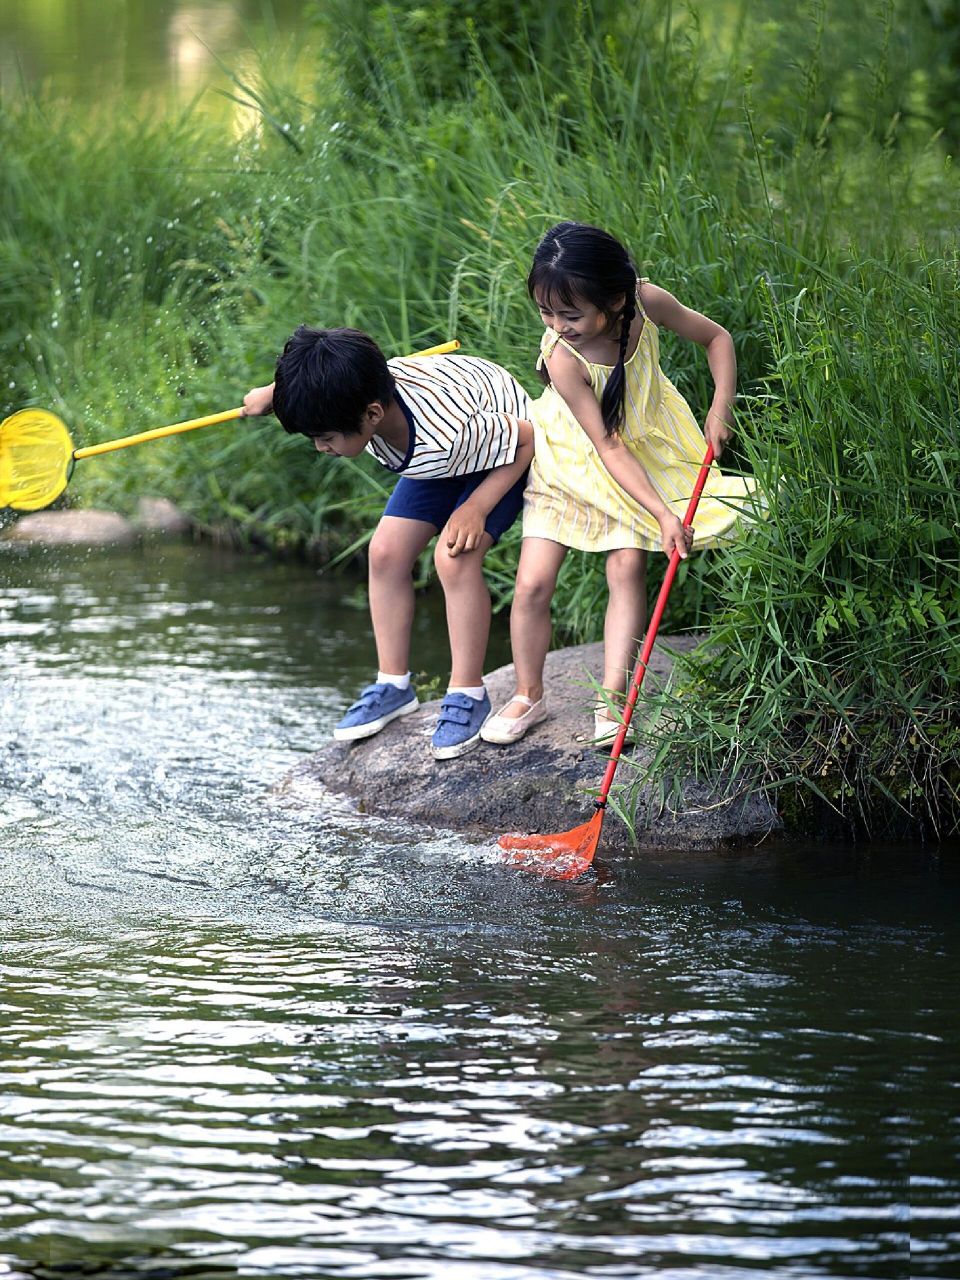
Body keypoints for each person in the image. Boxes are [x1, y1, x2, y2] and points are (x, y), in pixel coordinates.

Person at [480, 221, 757, 746]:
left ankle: (613, 698)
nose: (557, 325)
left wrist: (721, 409)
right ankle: (528, 693)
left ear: (616, 297)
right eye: (546, 312)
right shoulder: (564, 358)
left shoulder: (647, 301)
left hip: (643, 448)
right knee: (533, 583)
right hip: (572, 455)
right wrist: (661, 513)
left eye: (570, 313)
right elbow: (604, 445)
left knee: (626, 565)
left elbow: (717, 338)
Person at [243, 327, 533, 759]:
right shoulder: (361, 392)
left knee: (453, 556)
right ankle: (393, 685)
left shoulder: (449, 431)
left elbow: (528, 438)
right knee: (384, 553)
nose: (321, 448)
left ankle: (468, 692)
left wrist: (475, 507)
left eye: (325, 437)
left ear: (373, 414)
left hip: (501, 455)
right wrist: (275, 393)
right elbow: (329, 359)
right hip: (435, 459)